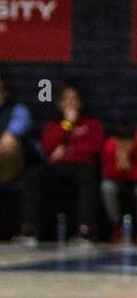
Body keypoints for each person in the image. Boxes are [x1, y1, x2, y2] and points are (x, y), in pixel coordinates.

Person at [23, 83, 104, 243]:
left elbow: (93, 149)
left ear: (80, 103)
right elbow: (48, 148)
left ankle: (84, 229)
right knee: (33, 174)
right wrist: (67, 124)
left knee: (87, 174)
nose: (70, 103)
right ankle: (30, 229)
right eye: (66, 99)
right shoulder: (53, 126)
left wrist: (66, 151)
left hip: (82, 167)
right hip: (58, 167)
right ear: (59, 104)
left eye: (74, 99)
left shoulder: (92, 125)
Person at [100, 119, 137, 236]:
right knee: (107, 187)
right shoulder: (110, 146)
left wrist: (129, 169)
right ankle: (116, 226)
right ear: (116, 141)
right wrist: (119, 169)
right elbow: (106, 172)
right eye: (121, 144)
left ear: (134, 140)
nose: (125, 147)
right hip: (117, 180)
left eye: (128, 143)